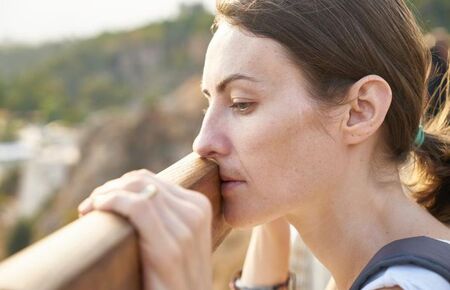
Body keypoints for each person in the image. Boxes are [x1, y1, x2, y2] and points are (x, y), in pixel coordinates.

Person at [78, 0, 450, 289]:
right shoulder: (391, 258)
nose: (202, 142)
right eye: (210, 103)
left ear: (359, 111)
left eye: (242, 103)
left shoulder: (406, 285)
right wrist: (270, 211)